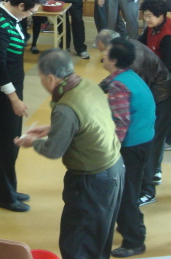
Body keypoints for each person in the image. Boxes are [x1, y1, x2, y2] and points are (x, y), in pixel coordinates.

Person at [15, 48, 124, 259]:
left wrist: (32, 142)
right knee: (98, 239)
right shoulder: (87, 85)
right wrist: (52, 128)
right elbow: (88, 121)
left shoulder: (65, 108)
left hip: (92, 179)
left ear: (50, 78)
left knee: (77, 244)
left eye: (41, 77)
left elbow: (53, 150)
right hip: (114, 170)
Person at [95, 29, 171, 206]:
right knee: (145, 150)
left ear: (113, 53)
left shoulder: (133, 66)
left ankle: (147, 190)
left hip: (161, 98)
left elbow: (123, 116)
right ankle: (148, 178)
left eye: (104, 52)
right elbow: (115, 78)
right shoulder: (126, 53)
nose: (102, 57)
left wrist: (113, 146)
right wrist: (95, 89)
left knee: (148, 150)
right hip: (151, 105)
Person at [0, 0, 46, 212]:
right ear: (21, 5)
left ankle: (9, 188)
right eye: (31, 10)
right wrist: (14, 99)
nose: (32, 14)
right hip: (4, 95)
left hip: (12, 89)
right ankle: (3, 195)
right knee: (6, 145)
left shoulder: (13, 19)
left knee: (12, 143)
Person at [99, 39, 155, 258]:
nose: (102, 56)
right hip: (144, 139)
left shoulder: (118, 86)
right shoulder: (128, 76)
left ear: (114, 60)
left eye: (106, 54)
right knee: (130, 187)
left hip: (131, 145)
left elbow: (121, 123)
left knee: (124, 193)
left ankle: (134, 241)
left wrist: (110, 151)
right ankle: (131, 226)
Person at [139, 0, 171, 150]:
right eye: (145, 15)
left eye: (149, 16)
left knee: (164, 102)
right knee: (169, 99)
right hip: (164, 67)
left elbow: (166, 66)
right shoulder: (153, 26)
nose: (146, 19)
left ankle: (168, 141)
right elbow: (140, 43)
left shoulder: (169, 36)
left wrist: (150, 79)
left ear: (161, 15)